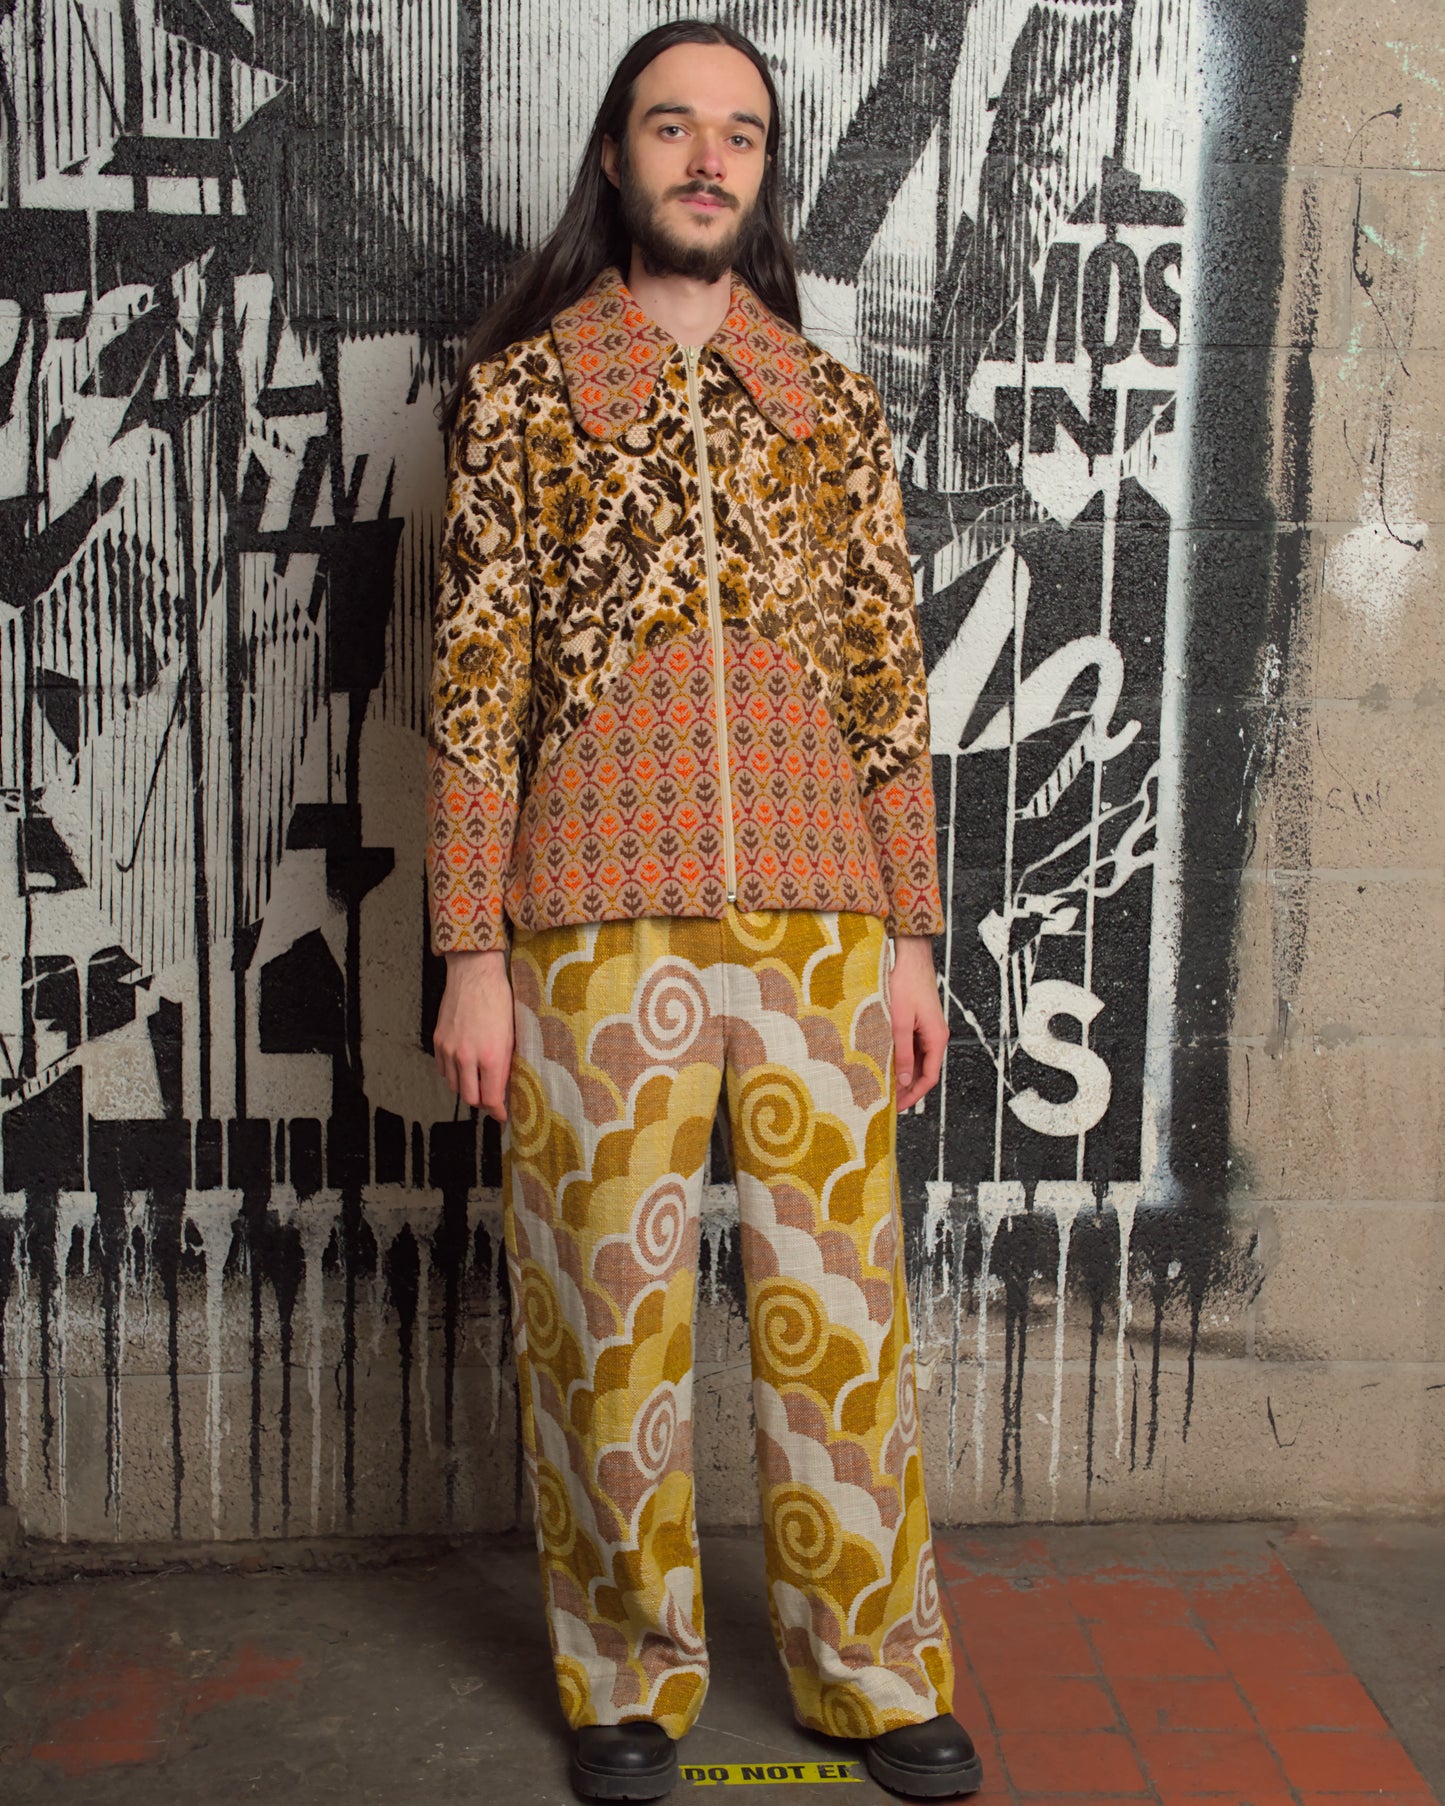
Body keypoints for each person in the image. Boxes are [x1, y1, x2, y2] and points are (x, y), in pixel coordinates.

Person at [427, 20, 980, 1802]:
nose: (707, 157)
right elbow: (471, 697)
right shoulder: (521, 401)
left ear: (762, 171)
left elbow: (891, 689)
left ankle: (873, 1669)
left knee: (844, 1315)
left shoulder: (831, 407)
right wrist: (467, 959)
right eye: (673, 126)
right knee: (608, 1311)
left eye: (738, 132)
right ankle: (624, 1670)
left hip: (822, 924)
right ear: (615, 157)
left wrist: (911, 938)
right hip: (590, 923)